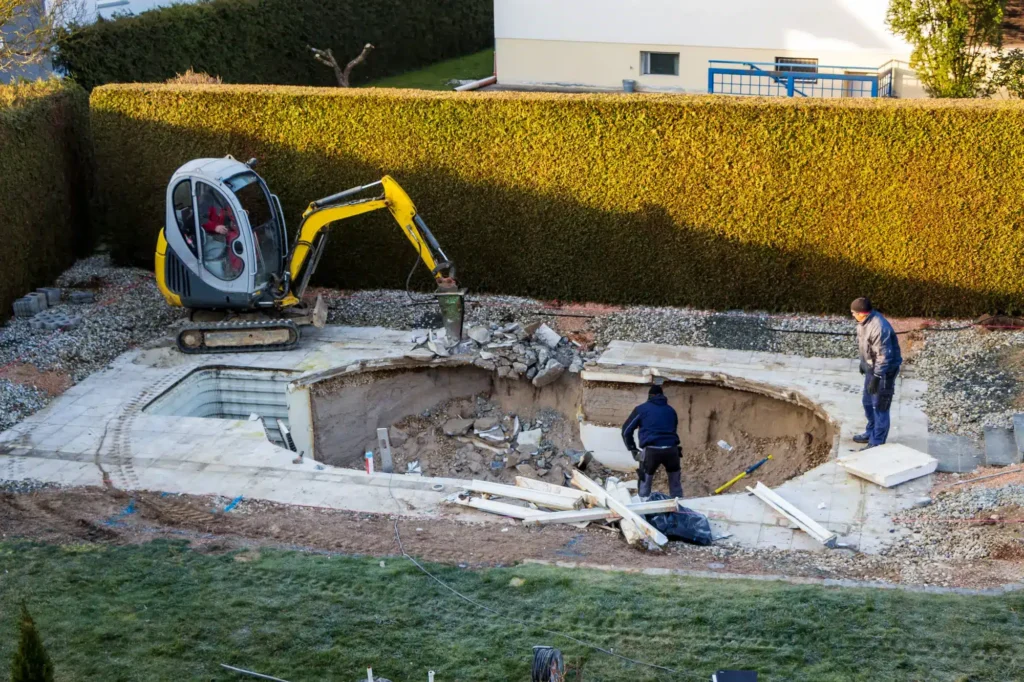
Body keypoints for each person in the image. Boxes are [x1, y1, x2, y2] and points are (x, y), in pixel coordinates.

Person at [851, 297, 903, 449]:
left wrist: (877, 376)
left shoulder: (879, 328)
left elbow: (884, 356)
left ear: (862, 313)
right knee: (867, 402)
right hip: (872, 368)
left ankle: (877, 442)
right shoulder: (863, 323)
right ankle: (870, 432)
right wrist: (864, 364)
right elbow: (866, 346)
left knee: (880, 406)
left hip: (885, 371)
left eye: (854, 312)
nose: (852, 315)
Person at [621, 384, 683, 498]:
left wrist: (632, 448)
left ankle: (643, 505)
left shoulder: (641, 409)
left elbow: (626, 430)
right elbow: (673, 429)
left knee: (644, 486)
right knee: (675, 487)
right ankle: (679, 505)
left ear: (650, 396)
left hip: (651, 451)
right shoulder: (671, 410)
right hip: (672, 451)